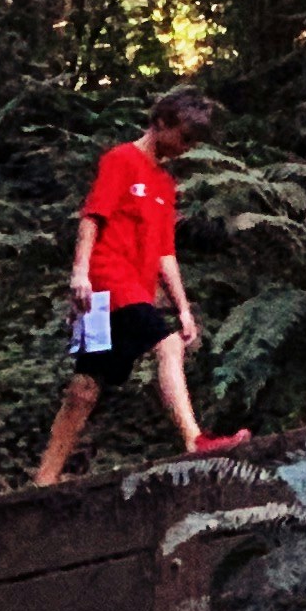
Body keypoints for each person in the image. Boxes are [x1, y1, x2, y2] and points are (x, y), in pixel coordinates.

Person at [32, 87, 253, 481]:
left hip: (135, 287)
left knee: (84, 389)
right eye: (184, 137)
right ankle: (195, 441)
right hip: (104, 280)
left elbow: (165, 253)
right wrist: (79, 273)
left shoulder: (166, 185)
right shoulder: (121, 160)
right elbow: (92, 218)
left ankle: (43, 479)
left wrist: (183, 308)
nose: (187, 147)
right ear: (162, 122)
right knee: (165, 344)